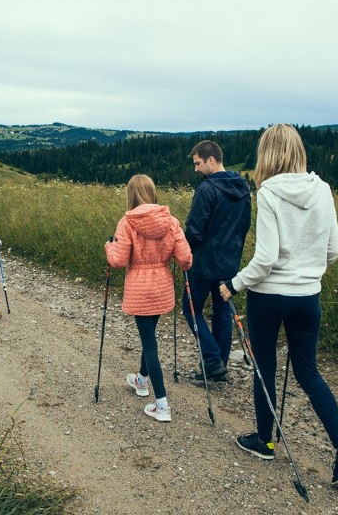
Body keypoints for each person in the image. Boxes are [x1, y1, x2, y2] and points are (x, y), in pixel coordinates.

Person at [219, 123, 338, 486]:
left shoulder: (268, 193)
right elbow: (334, 250)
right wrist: (307, 274)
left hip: (268, 298)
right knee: (308, 372)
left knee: (264, 367)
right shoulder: (323, 190)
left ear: (266, 154)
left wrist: (233, 284)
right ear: (298, 151)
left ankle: (265, 441)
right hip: (308, 297)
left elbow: (266, 258)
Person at [106, 175, 192, 422]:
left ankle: (162, 404)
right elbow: (186, 259)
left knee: (150, 344)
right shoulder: (171, 221)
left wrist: (108, 247)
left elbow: (119, 261)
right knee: (149, 337)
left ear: (131, 195)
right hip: (162, 287)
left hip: (140, 288)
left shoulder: (127, 222)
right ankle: (141, 380)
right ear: (152, 192)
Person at [183, 140, 251, 382]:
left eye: (198, 163)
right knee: (222, 313)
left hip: (203, 263)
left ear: (211, 160)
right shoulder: (242, 187)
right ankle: (219, 367)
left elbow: (194, 231)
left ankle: (212, 360)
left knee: (191, 310)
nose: (196, 169)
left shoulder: (206, 190)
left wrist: (182, 249)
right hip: (229, 263)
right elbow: (245, 226)